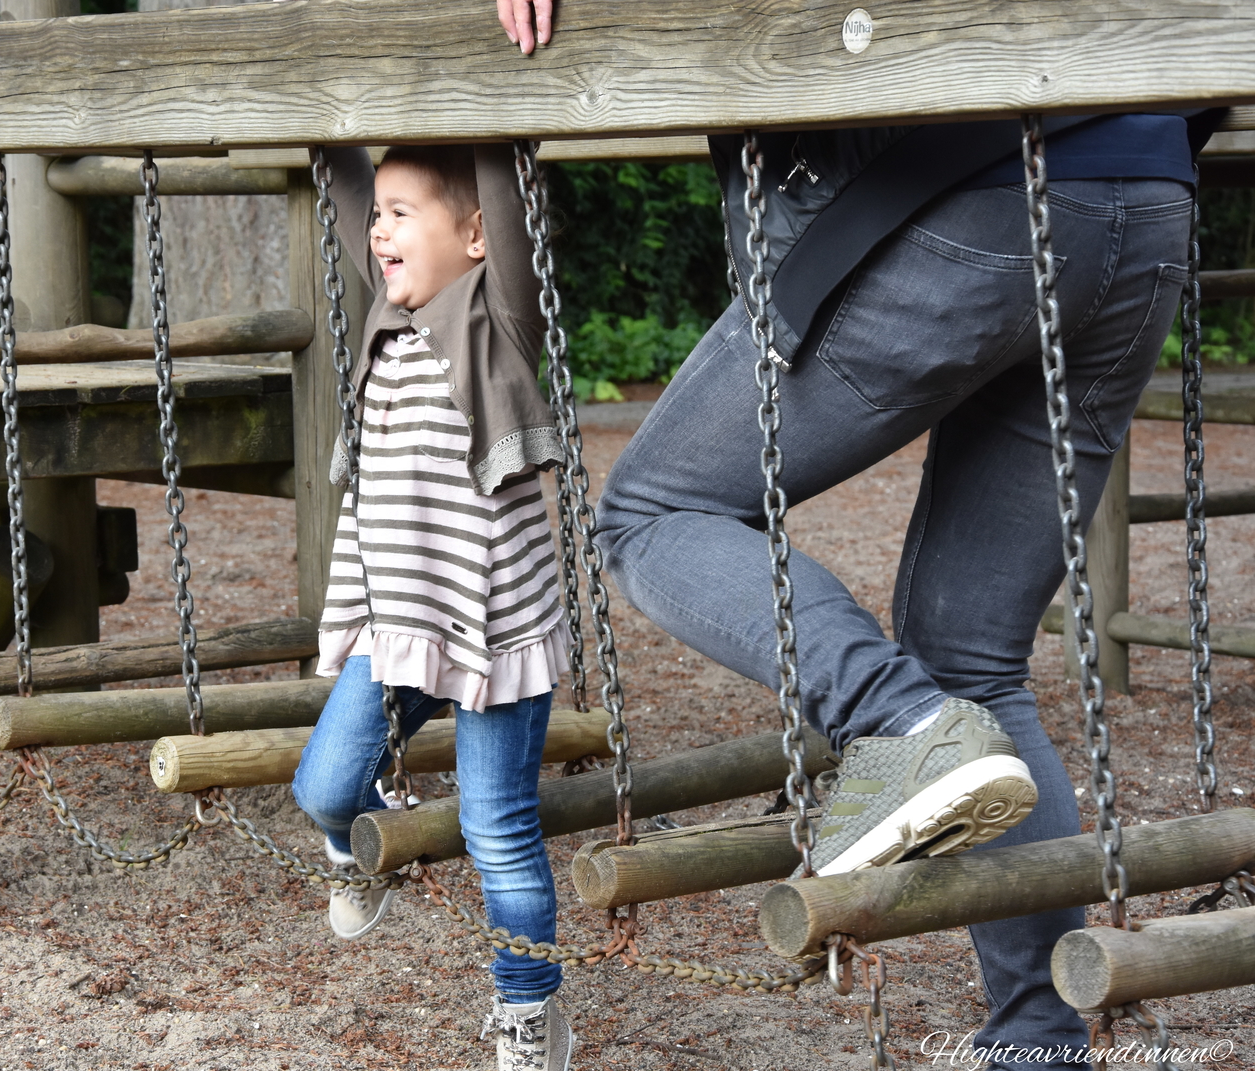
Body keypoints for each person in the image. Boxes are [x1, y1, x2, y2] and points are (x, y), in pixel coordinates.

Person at [497, 5, 1216, 1068]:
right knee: (971, 655)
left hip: (959, 184)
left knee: (652, 509)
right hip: (1146, 196)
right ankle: (1035, 1039)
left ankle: (904, 725)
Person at [289, 142, 576, 1071]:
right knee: (325, 789)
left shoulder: (495, 318)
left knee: (499, 830)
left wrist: (482, 100)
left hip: (494, 630)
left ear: (479, 233)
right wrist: (330, 129)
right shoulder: (380, 315)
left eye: (402, 212)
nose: (379, 229)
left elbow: (505, 184)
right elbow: (343, 204)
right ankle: (374, 852)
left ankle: (528, 1011)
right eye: (378, 213)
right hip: (398, 621)